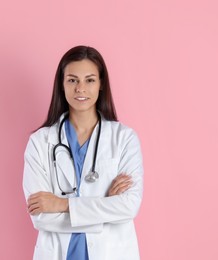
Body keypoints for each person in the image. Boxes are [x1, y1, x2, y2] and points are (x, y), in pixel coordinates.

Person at [23, 45, 144, 260]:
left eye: (89, 80)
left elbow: (128, 206)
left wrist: (62, 204)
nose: (81, 88)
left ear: (100, 85)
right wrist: (105, 206)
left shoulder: (124, 139)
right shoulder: (40, 142)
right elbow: (40, 216)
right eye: (72, 80)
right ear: (62, 85)